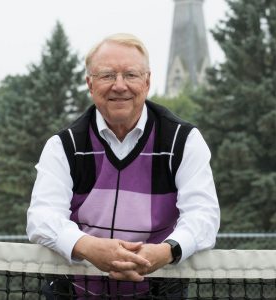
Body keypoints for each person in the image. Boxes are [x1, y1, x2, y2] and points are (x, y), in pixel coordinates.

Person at [26, 33, 220, 299]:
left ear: (147, 81)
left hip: (160, 292)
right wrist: (88, 247)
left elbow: (204, 216)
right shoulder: (63, 145)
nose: (119, 86)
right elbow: (42, 217)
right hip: (75, 291)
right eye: (107, 75)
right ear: (89, 84)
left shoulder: (184, 141)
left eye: (131, 75)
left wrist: (166, 251)